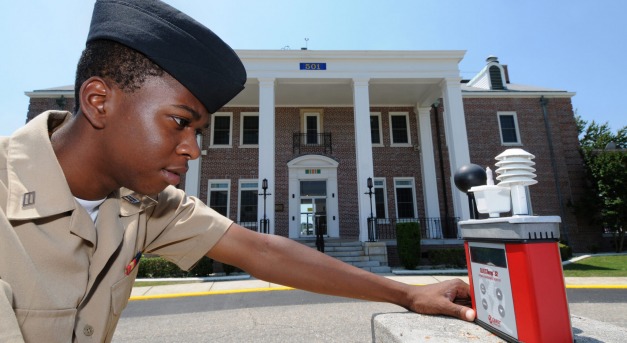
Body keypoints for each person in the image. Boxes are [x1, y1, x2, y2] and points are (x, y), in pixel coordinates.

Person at [0, 0, 475, 342]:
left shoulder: (140, 203)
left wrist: (408, 295)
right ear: (99, 101)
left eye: (202, 131)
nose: (194, 150)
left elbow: (262, 249)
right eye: (180, 123)